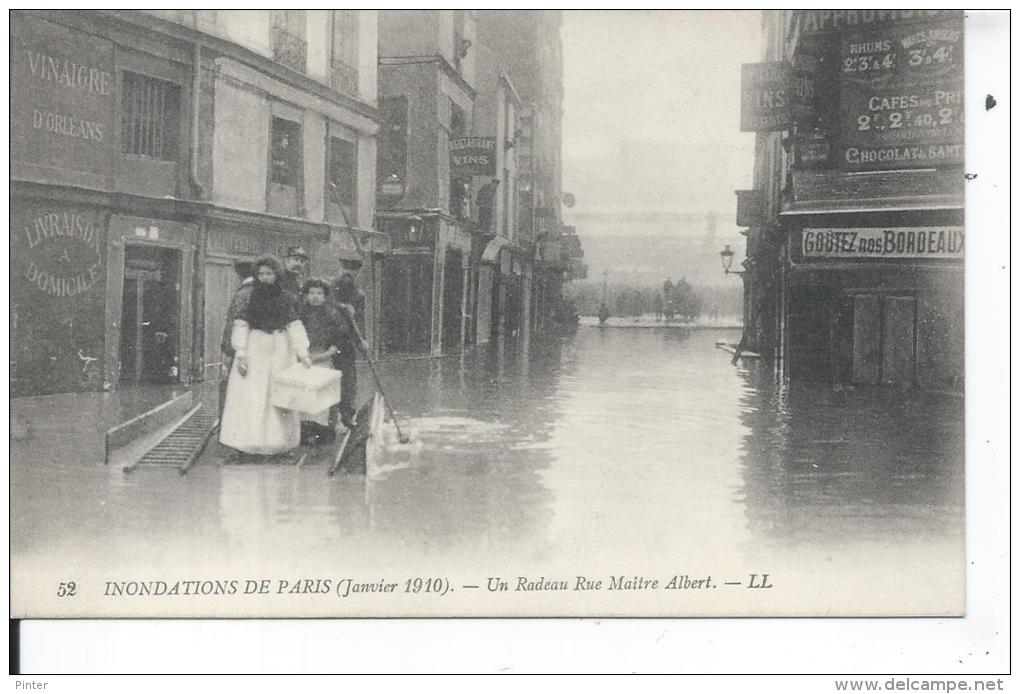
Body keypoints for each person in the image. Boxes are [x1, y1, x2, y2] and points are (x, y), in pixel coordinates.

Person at [219, 254, 311, 458]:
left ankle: (279, 445)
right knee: (251, 396)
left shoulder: (286, 298)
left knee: (278, 398)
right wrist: (241, 353)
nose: (265, 278)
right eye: (261, 274)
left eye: (269, 273)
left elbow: (294, 325)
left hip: (280, 350)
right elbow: (241, 324)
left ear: (277, 275)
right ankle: (247, 444)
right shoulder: (248, 297)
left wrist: (302, 353)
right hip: (255, 349)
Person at [298, 278, 348, 444]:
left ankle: (324, 430)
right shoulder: (300, 313)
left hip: (323, 356)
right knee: (304, 394)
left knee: (323, 394)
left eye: (319, 293)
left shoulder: (332, 314)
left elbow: (339, 337)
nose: (315, 297)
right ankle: (305, 429)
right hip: (304, 357)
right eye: (311, 293)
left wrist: (329, 352)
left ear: (325, 296)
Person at [331, 261, 369, 429]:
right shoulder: (329, 289)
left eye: (353, 270)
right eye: (346, 268)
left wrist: (362, 340)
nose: (349, 273)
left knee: (348, 380)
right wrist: (340, 307)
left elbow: (359, 320)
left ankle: (347, 414)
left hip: (345, 342)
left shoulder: (358, 295)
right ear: (340, 268)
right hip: (327, 340)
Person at [218, 259, 256, 414]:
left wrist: (227, 351)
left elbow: (233, 324)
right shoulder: (257, 291)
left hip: (241, 351)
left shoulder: (244, 292)